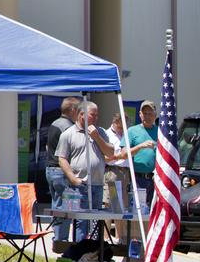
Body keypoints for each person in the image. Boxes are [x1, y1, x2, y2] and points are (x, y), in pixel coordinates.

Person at [55, 100, 121, 241]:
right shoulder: (68, 134)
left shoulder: (100, 132)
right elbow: (62, 159)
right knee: (81, 221)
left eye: (97, 115)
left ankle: (94, 252)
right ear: (82, 115)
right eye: (93, 115)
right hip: (79, 186)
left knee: (96, 222)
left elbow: (110, 153)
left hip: (97, 184)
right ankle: (80, 253)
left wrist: (97, 137)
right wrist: (73, 178)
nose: (96, 118)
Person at [45, 97, 81, 241]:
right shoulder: (67, 127)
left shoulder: (55, 123)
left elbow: (48, 147)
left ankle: (58, 237)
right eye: (79, 110)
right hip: (60, 171)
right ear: (72, 110)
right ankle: (61, 240)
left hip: (51, 170)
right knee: (65, 207)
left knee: (57, 204)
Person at [126, 100, 160, 206]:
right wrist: (140, 146)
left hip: (155, 179)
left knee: (153, 212)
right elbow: (123, 153)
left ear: (155, 115)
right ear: (140, 114)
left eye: (150, 113)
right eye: (145, 113)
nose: (147, 116)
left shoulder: (161, 132)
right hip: (137, 179)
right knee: (138, 210)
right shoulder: (132, 131)